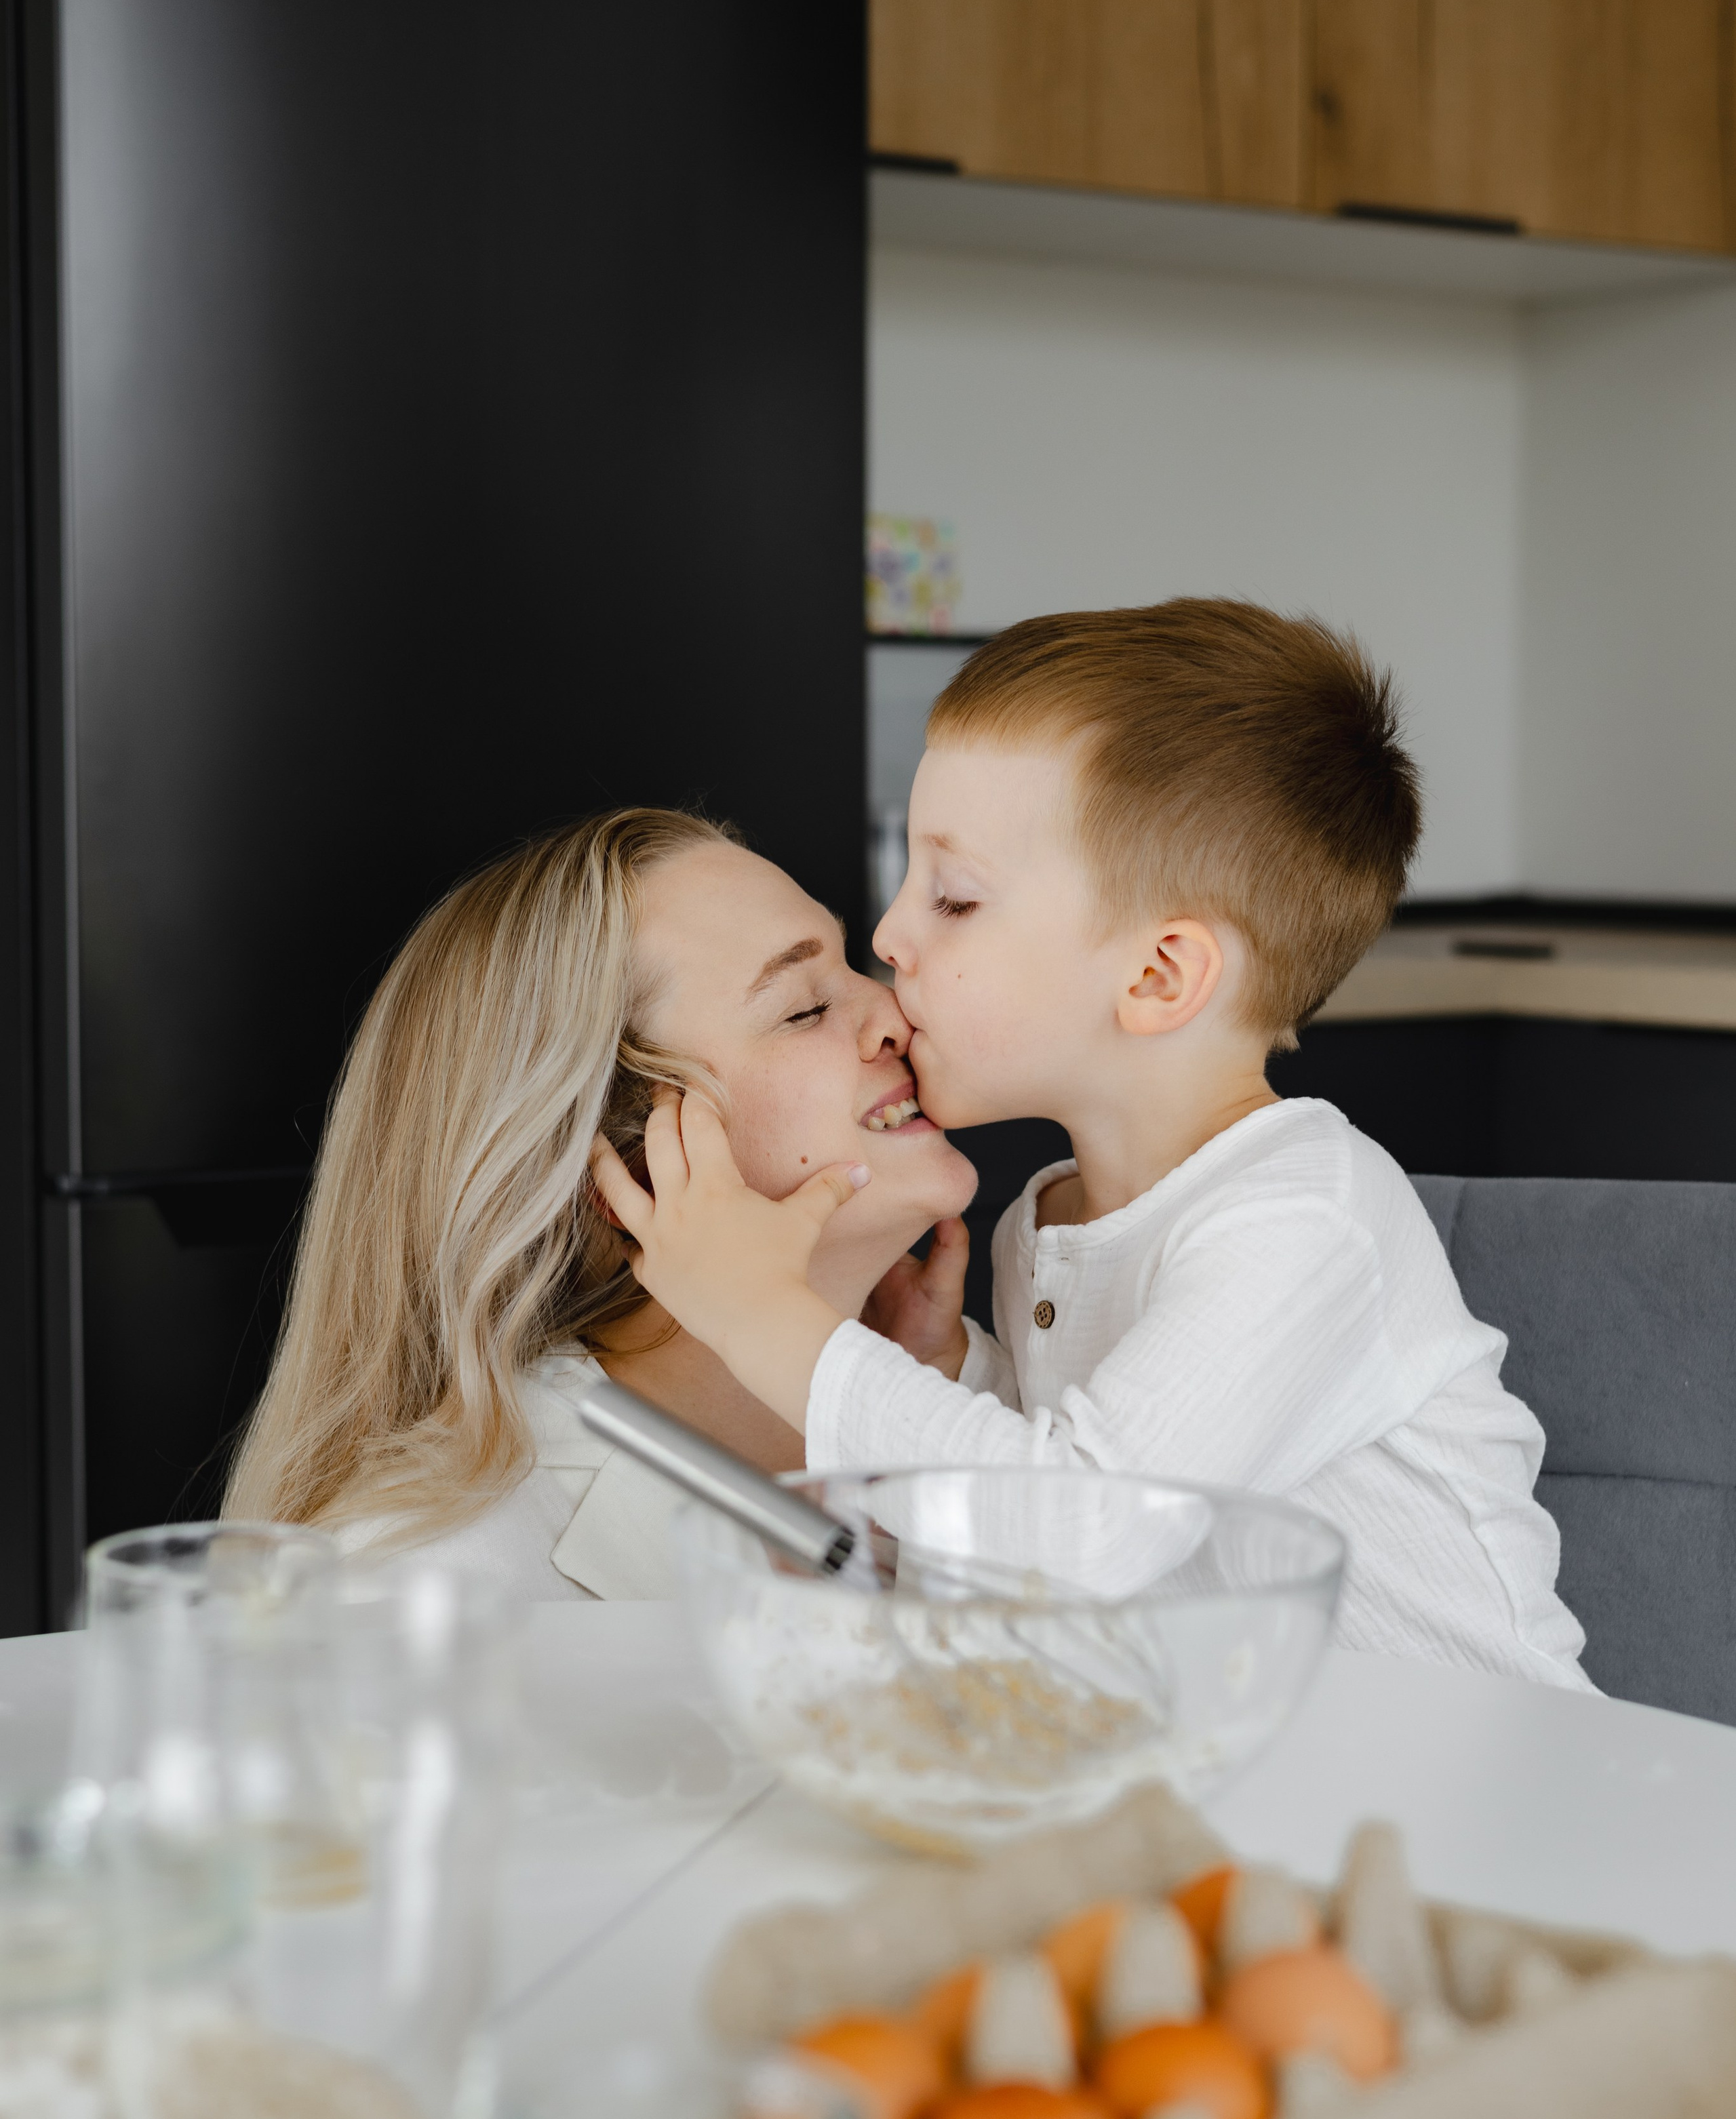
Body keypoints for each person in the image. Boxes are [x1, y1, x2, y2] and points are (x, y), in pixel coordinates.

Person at [595, 601, 1592, 1688]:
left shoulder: (1307, 1220)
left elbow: (1086, 1539)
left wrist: (763, 1318)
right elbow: (1057, 1476)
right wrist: (952, 1371)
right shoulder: (1050, 1218)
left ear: (1159, 978)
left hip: (1505, 1790)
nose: (888, 937)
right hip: (1283, 1787)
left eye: (956, 897)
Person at [224, 808, 978, 1599]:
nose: (896, 1014)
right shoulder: (424, 1583)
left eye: (858, 967)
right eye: (803, 1009)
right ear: (628, 1171)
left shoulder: (976, 1406)